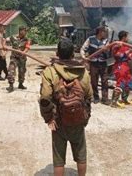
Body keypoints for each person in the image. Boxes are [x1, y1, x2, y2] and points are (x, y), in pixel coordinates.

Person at [39, 39, 93, 176]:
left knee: (58, 159)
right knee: (81, 154)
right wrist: (86, 117)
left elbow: (45, 98)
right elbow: (89, 97)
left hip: (59, 121)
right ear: (72, 55)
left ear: (57, 53)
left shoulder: (50, 72)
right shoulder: (83, 72)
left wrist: (49, 119)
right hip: (78, 120)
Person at [80, 26, 110, 104]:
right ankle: (96, 97)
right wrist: (83, 57)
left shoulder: (106, 41)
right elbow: (83, 49)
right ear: (100, 32)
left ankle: (105, 98)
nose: (105, 33)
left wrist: (106, 50)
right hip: (93, 63)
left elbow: (108, 51)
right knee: (94, 81)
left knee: (105, 81)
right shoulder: (90, 39)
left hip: (103, 63)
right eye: (104, 31)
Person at [111, 31, 132, 108]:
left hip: (126, 66)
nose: (128, 38)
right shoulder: (116, 44)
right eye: (127, 36)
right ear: (124, 37)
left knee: (128, 82)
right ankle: (114, 102)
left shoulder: (126, 46)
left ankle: (124, 99)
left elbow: (129, 56)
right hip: (120, 65)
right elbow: (116, 54)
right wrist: (118, 46)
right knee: (120, 82)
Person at [7, 26, 31, 92]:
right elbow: (5, 40)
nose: (25, 32)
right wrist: (3, 46)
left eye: (26, 31)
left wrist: (24, 52)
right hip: (14, 57)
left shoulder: (27, 39)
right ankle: (11, 85)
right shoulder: (13, 37)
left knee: (22, 72)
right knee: (11, 70)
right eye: (24, 31)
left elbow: (27, 47)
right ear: (20, 31)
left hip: (22, 58)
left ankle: (20, 84)